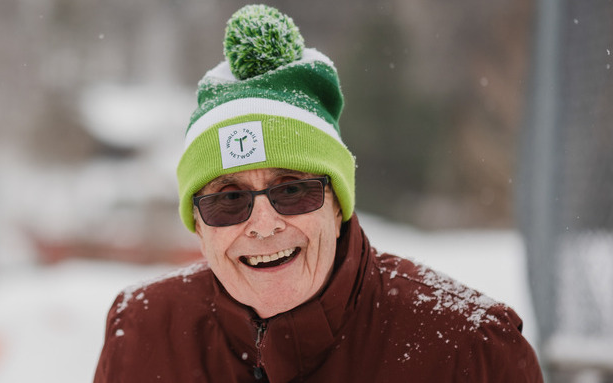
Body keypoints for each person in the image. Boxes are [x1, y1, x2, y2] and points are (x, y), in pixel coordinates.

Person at [93, 4, 543, 383]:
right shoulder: (141, 332)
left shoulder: (470, 349)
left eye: (292, 191)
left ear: (337, 203)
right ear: (197, 222)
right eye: (229, 200)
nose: (264, 225)